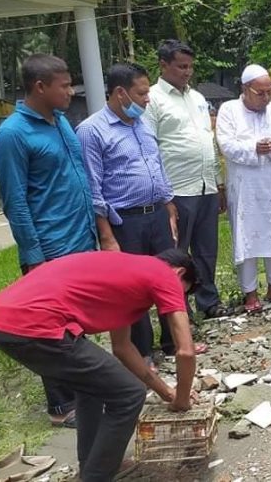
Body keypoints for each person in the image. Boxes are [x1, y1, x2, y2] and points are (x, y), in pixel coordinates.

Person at [0, 249, 199, 482]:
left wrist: (167, 393)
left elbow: (123, 348)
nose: (174, 298)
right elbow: (186, 351)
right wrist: (182, 400)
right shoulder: (164, 275)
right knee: (129, 395)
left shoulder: (130, 273)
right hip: (37, 322)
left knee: (92, 388)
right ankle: (96, 477)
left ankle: (93, 466)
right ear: (179, 272)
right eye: (182, 292)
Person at [0, 53, 97, 428]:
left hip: (80, 240)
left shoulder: (62, 123)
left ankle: (82, 392)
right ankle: (61, 406)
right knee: (52, 331)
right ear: (40, 87)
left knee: (76, 327)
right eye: (64, 85)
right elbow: (15, 202)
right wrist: (34, 258)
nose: (71, 91)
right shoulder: (12, 134)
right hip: (50, 249)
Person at [76, 63, 184, 370]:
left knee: (167, 276)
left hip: (157, 214)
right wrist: (106, 235)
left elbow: (157, 167)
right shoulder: (91, 131)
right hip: (125, 221)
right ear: (121, 93)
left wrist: (170, 207)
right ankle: (141, 353)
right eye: (142, 92)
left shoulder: (142, 124)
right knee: (132, 289)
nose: (147, 99)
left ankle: (174, 342)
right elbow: (92, 188)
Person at [145, 39, 231, 319]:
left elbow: (209, 141)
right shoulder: (152, 99)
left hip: (205, 185)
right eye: (181, 66)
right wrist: (164, 195)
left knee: (207, 250)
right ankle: (177, 311)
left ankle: (209, 302)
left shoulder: (196, 98)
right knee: (176, 255)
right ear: (164, 65)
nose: (187, 72)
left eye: (190, 67)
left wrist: (218, 184)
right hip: (177, 189)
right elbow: (149, 147)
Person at [216, 65, 271, 311]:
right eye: (260, 93)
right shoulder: (229, 110)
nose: (265, 98)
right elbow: (226, 144)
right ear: (245, 89)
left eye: (268, 92)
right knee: (246, 236)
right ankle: (250, 292)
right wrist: (254, 148)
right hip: (245, 187)